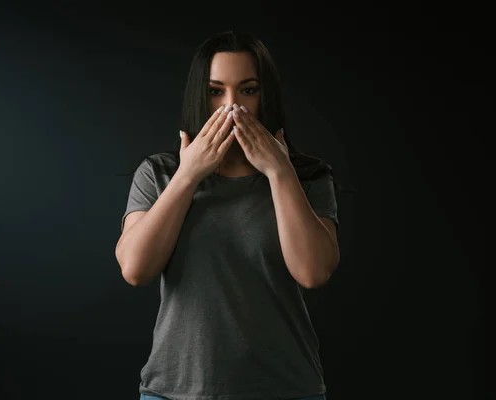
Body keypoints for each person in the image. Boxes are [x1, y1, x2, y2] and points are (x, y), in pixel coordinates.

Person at [115, 30, 350, 400]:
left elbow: (313, 272)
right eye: (215, 91)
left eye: (248, 90)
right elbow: (135, 269)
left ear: (264, 95)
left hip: (285, 389)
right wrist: (189, 174)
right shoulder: (159, 173)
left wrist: (280, 172)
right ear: (200, 96)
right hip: (173, 392)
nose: (230, 106)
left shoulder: (308, 177)